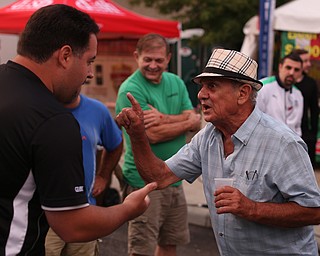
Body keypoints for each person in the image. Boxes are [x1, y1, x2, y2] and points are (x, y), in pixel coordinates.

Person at [116, 48, 320, 255]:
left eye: (212, 86)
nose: (201, 94)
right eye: (202, 86)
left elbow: (314, 211)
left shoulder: (283, 143)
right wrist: (138, 135)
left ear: (242, 93)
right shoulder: (208, 137)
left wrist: (252, 208)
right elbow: (158, 177)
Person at [0, 4, 156, 255]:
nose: (90, 74)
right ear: (65, 55)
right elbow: (73, 226)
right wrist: (128, 209)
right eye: (89, 61)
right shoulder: (53, 120)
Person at [115, 33, 201, 256]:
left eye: (159, 60)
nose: (153, 65)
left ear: (168, 58)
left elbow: (195, 119)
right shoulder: (130, 90)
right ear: (137, 56)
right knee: (142, 248)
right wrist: (187, 121)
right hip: (143, 182)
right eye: (148, 59)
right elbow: (150, 135)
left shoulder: (175, 81)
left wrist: (163, 118)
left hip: (174, 177)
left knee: (170, 242)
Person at [45, 93, 123, 256]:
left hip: (84, 212)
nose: (90, 74)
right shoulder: (35, 107)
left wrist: (103, 176)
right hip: (45, 218)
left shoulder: (97, 110)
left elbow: (115, 143)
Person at [257, 53, 304, 136]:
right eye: (288, 68)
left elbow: (297, 127)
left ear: (301, 73)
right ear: (280, 67)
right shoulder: (263, 88)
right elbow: (254, 120)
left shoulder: (298, 95)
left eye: (296, 70)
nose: (291, 72)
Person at [291, 49, 319, 167]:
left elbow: (314, 110)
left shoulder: (310, 83)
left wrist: (312, 133)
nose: (308, 64)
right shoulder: (286, 83)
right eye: (305, 61)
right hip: (287, 130)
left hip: (305, 133)